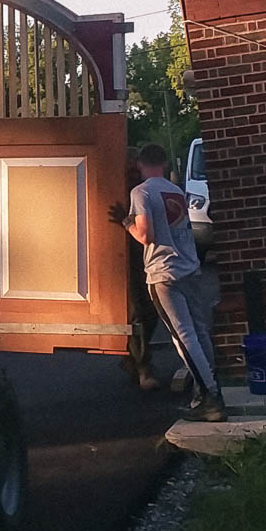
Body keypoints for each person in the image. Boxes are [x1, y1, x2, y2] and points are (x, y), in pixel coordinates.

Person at [112, 142, 225, 422]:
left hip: (164, 273)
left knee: (182, 336)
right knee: (199, 332)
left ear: (140, 164)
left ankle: (211, 398)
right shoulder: (176, 191)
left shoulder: (141, 192)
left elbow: (146, 235)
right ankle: (205, 390)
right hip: (190, 269)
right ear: (164, 164)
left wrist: (125, 222)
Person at [117, 148, 160, 390]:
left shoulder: (143, 190)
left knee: (151, 311)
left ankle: (134, 360)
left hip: (146, 256)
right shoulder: (120, 185)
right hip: (124, 259)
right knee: (136, 313)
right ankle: (143, 365)